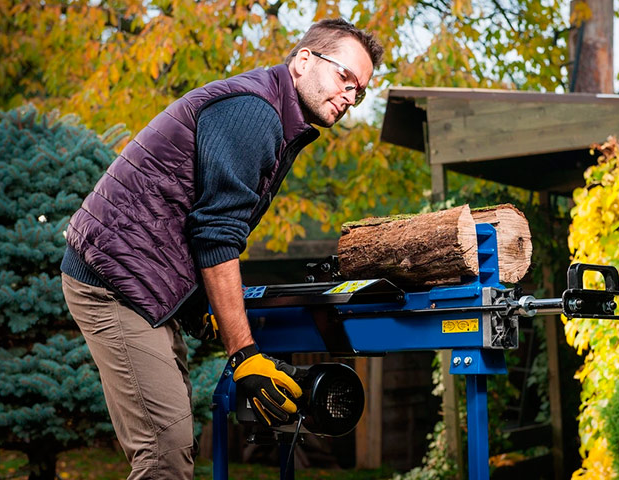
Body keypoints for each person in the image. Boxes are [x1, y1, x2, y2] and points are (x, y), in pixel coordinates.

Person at [60, 18, 383, 478]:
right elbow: (216, 231)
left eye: (361, 91)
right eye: (345, 78)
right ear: (304, 61)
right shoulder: (256, 111)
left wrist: (198, 309)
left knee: (173, 444)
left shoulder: (273, 109)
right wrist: (243, 353)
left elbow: (187, 213)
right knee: (165, 454)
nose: (351, 97)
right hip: (114, 281)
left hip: (141, 279)